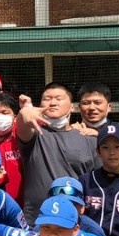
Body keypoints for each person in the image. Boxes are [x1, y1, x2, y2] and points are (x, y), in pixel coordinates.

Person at [15, 82, 98, 223]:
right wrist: (24, 113)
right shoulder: (35, 135)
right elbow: (23, 126)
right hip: (37, 221)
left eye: (59, 99)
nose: (52, 103)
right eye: (47, 99)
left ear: (72, 107)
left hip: (75, 221)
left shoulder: (89, 139)